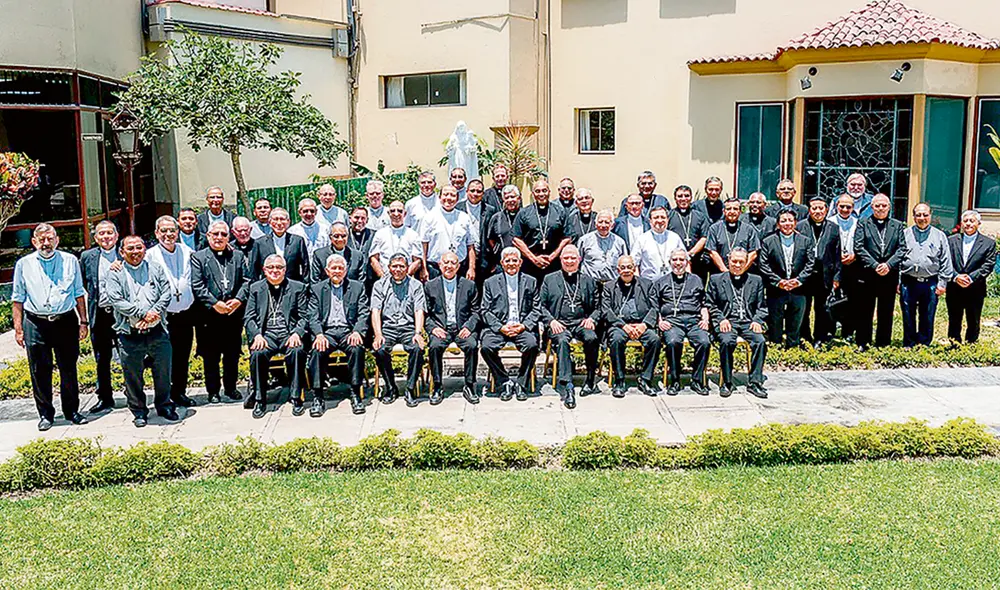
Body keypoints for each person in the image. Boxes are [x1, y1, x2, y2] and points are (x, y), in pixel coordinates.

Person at [12, 224, 89, 431]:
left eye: (50, 239)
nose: (46, 243)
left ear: (57, 240)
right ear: (34, 242)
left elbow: (78, 292)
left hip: (65, 321)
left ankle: (72, 411)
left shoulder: (70, 260)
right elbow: (18, 298)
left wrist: (83, 321)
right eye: (42, 239)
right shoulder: (23, 264)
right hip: (35, 322)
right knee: (39, 370)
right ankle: (46, 414)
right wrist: (18, 329)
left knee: (69, 368)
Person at [104, 235, 178, 427]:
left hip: (157, 331)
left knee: (163, 371)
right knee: (133, 376)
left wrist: (153, 313)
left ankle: (164, 406)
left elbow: (166, 292)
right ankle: (138, 411)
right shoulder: (115, 273)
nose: (135, 252)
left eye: (139, 247)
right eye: (130, 248)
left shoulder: (155, 268)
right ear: (122, 252)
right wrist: (143, 314)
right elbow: (116, 300)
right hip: (130, 333)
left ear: (145, 249)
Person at [190, 220, 249, 404]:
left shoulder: (237, 256)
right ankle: (213, 391)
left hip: (233, 314)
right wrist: (215, 303)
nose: (219, 237)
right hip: (209, 316)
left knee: (232, 353)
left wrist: (238, 300)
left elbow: (247, 281)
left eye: (223, 234)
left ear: (228, 237)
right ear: (208, 236)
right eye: (215, 234)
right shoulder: (199, 257)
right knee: (211, 356)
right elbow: (197, 285)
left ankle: (231, 388)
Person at [244, 254, 309, 419]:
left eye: (279, 267)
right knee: (258, 354)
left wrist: (297, 333)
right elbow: (249, 317)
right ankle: (260, 399)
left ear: (285, 270)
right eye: (271, 267)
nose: (275, 271)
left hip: (288, 334)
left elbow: (304, 317)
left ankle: (296, 397)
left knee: (296, 351)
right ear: (264, 270)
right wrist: (257, 335)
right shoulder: (255, 288)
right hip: (267, 336)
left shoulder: (298, 287)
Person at [145, 216, 199, 408]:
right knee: (162, 358)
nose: (168, 234)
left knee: (182, 356)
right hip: (163, 316)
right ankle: (164, 396)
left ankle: (179, 392)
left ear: (178, 232)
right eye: (164, 230)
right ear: (156, 233)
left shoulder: (187, 252)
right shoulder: (149, 255)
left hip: (185, 313)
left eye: (172, 230)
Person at [539, 245, 601, 408]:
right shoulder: (549, 279)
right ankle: (568, 386)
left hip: (581, 322)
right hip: (559, 324)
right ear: (560, 260)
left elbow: (598, 306)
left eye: (573, 258)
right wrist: (551, 321)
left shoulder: (588, 280)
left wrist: (592, 319)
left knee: (591, 338)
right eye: (566, 257)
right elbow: (541, 306)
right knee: (562, 342)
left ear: (579, 260)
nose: (569, 261)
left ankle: (590, 379)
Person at [307, 254, 368, 416]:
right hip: (327, 333)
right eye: (334, 268)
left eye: (340, 268)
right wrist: (319, 334)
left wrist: (357, 331)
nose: (337, 271)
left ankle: (355, 393)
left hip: (348, 331)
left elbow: (363, 313)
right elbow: (312, 316)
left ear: (346, 271)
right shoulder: (317, 289)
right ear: (327, 271)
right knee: (317, 351)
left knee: (356, 348)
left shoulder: (357, 287)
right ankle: (318, 396)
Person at [706, 248, 768, 398]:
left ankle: (755, 383)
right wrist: (721, 319)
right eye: (734, 261)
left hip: (748, 322)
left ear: (746, 263)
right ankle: (727, 382)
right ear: (728, 261)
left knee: (760, 342)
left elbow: (762, 306)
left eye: (741, 262)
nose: (738, 265)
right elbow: (710, 304)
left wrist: (757, 320)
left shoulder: (756, 280)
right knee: (727, 341)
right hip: (728, 321)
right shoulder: (716, 279)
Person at [480, 247, 540, 401]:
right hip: (499, 328)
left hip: (522, 327)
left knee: (532, 345)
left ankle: (521, 383)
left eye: (514, 260)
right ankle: (504, 382)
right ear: (502, 263)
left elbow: (536, 309)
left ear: (520, 262)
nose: (511, 263)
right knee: (486, 347)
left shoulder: (531, 281)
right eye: (507, 260)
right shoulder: (490, 282)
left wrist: (523, 326)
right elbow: (485, 310)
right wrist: (500, 327)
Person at [424, 251, 481, 405]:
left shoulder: (469, 285)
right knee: (434, 346)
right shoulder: (430, 286)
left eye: (453, 263)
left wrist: (469, 327)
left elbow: (476, 311)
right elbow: (425, 314)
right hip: (441, 329)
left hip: (462, 328)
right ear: (439, 265)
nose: (449, 266)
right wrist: (433, 328)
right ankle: (437, 386)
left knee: (472, 345)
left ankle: (470, 385)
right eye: (446, 263)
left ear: (458, 266)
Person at [371, 253, 426, 407]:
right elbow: (375, 311)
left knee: (417, 349)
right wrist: (378, 334)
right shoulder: (379, 285)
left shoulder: (416, 285)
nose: (398, 269)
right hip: (388, 328)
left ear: (407, 268)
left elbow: (419, 310)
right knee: (380, 350)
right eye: (394, 266)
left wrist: (418, 333)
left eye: (402, 266)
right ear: (389, 268)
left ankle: (410, 389)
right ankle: (391, 387)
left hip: (408, 327)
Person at [853, 194, 907, 349]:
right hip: (868, 273)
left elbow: (902, 248)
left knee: (886, 310)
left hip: (889, 275)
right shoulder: (863, 223)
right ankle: (863, 342)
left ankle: (883, 343)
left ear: (889, 207)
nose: (881, 208)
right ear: (872, 207)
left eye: (884, 205)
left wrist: (888, 265)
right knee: (865, 309)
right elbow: (859, 247)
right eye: (877, 205)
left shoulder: (897, 225)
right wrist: (875, 265)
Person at [603, 254, 660, 397]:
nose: (626, 270)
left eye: (629, 267)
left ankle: (645, 379)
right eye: (623, 268)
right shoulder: (609, 287)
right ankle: (619, 380)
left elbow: (654, 308)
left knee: (654, 340)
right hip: (619, 326)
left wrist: (644, 325)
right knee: (616, 340)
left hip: (641, 325)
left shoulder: (647, 284)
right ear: (618, 270)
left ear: (634, 268)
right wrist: (624, 326)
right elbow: (606, 310)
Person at [79, 220, 121, 414]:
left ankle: (134, 395)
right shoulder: (87, 257)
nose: (106, 237)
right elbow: (84, 284)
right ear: (96, 238)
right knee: (101, 359)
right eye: (101, 234)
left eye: (109, 233)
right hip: (100, 314)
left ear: (116, 236)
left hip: (122, 315)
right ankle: (104, 398)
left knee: (128, 357)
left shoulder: (125, 252)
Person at [656, 249, 711, 395]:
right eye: (675, 259)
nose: (678, 263)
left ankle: (697, 380)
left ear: (687, 262)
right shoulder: (662, 282)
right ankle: (675, 380)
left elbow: (704, 303)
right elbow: (655, 306)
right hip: (672, 321)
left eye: (681, 259)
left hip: (694, 321)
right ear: (670, 262)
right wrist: (660, 321)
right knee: (673, 342)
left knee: (704, 342)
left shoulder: (696, 280)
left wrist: (705, 319)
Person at [759, 210, 815, 348]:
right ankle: (776, 345)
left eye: (790, 220)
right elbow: (763, 265)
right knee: (775, 319)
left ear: (795, 223)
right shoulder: (768, 241)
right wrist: (779, 281)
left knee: (796, 319)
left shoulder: (806, 241)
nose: (787, 224)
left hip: (799, 288)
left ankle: (792, 347)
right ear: (778, 224)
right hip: (776, 288)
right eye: (783, 221)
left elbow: (810, 263)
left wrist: (798, 280)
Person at [899, 203, 953, 347]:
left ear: (930, 215)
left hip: (930, 282)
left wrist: (942, 283)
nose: (922, 218)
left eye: (925, 215)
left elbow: (945, 260)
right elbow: (898, 259)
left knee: (927, 314)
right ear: (913, 216)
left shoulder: (940, 236)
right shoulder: (904, 234)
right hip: (908, 281)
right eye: (918, 215)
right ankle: (909, 343)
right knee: (908, 314)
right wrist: (897, 281)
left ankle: (923, 344)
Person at [947, 210, 997, 343]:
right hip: (954, 287)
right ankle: (954, 345)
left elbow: (988, 265)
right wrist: (956, 276)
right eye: (965, 221)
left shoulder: (988, 243)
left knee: (973, 320)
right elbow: (946, 262)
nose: (968, 224)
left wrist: (970, 278)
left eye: (972, 221)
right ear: (961, 223)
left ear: (978, 223)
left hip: (976, 288)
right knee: (954, 319)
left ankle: (971, 345)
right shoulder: (951, 240)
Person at [797, 197, 841, 345]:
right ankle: (804, 337)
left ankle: (819, 338)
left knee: (822, 309)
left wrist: (837, 277)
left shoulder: (833, 228)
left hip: (825, 275)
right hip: (805, 274)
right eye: (814, 208)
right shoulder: (800, 226)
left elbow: (837, 255)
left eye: (821, 208)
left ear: (826, 210)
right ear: (809, 210)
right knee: (804, 308)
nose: (817, 211)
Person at [512, 179, 571, 281]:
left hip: (554, 264)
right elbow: (516, 239)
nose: (541, 194)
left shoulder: (560, 211)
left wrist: (552, 257)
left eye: (544, 190)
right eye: (538, 191)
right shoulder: (524, 213)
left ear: (549, 192)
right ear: (533, 194)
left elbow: (567, 238)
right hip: (529, 264)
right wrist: (534, 259)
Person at [421, 185, 476, 281]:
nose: (449, 198)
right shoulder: (429, 217)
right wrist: (423, 268)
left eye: (452, 195)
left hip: (459, 267)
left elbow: (470, 245)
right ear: (439, 197)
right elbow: (423, 245)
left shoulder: (464, 217)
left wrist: (471, 268)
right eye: (446, 194)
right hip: (435, 268)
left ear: (457, 199)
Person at [249, 207, 310, 282]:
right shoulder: (260, 243)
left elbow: (305, 266)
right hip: (267, 286)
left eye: (282, 219)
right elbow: (254, 270)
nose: (279, 223)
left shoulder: (297, 241)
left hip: (292, 285)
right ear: (270, 222)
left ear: (288, 222)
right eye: (275, 219)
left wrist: (305, 285)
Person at [457, 178, 497, 289]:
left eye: (479, 191)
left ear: (483, 194)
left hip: (484, 258)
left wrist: (494, 259)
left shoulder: (490, 210)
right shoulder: (458, 208)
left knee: (482, 289)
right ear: (467, 191)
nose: (475, 194)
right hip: (463, 258)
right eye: (472, 190)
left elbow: (493, 236)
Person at [368, 200, 423, 280]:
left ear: (405, 214)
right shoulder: (380, 234)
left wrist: (404, 277)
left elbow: (417, 261)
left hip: (406, 280)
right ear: (388, 213)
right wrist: (383, 278)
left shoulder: (413, 235)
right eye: (392, 211)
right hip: (384, 278)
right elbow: (374, 259)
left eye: (400, 211)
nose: (396, 214)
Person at [831, 194, 861, 339]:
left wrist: (854, 256)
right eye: (841, 206)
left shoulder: (858, 223)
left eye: (848, 207)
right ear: (837, 206)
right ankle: (829, 330)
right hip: (832, 266)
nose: (844, 209)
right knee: (831, 298)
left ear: (853, 208)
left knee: (852, 299)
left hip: (852, 265)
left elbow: (862, 243)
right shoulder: (829, 222)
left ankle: (848, 331)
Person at [668, 185, 711, 282]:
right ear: (675, 198)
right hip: (676, 261)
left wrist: (690, 253)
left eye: (686, 196)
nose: (683, 199)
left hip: (697, 261)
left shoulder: (700, 216)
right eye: (680, 196)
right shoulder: (669, 216)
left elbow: (704, 237)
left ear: (691, 197)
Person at [630, 206, 686, 281]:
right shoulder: (642, 239)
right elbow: (634, 264)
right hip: (649, 284)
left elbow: (686, 261)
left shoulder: (675, 237)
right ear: (650, 221)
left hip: (672, 283)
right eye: (656, 217)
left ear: (667, 220)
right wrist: (638, 283)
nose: (660, 220)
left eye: (663, 217)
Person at [707, 198, 760, 272]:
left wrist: (741, 270)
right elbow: (712, 252)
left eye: (735, 209)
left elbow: (753, 253)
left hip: (743, 272)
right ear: (724, 211)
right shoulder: (714, 228)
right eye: (728, 209)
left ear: (740, 211)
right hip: (720, 273)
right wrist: (724, 271)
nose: (732, 212)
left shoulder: (749, 229)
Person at [578, 209, 628, 284]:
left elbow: (624, 263)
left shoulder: (620, 242)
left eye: (607, 222)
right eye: (600, 222)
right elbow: (578, 261)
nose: (603, 225)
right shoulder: (584, 240)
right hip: (590, 283)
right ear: (595, 224)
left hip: (612, 284)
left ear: (612, 225)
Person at [484, 184, 522, 277]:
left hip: (524, 263)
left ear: (519, 198)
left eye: (512, 197)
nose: (510, 200)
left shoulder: (526, 215)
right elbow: (490, 239)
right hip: (502, 264)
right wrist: (498, 252)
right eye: (507, 197)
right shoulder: (497, 217)